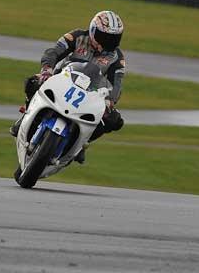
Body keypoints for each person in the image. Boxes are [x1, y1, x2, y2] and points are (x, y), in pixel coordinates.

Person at [10, 10, 126, 163]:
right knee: (33, 82)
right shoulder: (77, 36)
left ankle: (82, 143)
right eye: (104, 36)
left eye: (114, 38)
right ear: (92, 30)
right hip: (61, 79)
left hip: (89, 93)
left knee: (114, 120)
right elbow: (53, 52)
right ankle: (26, 116)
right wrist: (47, 69)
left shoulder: (117, 57)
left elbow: (117, 83)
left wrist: (110, 101)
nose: (108, 41)